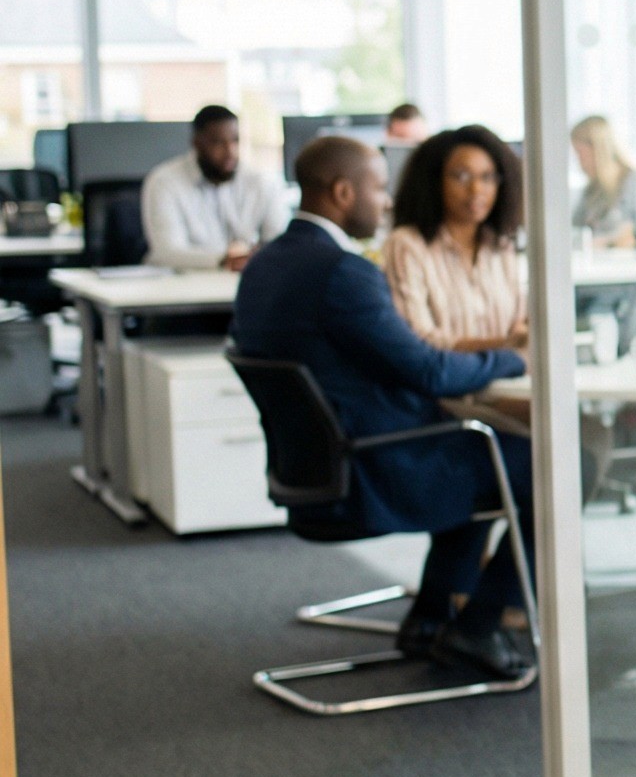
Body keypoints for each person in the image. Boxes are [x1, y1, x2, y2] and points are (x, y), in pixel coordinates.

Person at [233, 136, 534, 677]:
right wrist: (514, 358)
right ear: (343, 193)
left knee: (474, 448)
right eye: (377, 187)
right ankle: (477, 626)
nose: (387, 202)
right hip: (374, 466)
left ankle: (429, 619)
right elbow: (430, 370)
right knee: (554, 465)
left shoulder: (265, 264)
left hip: (325, 463)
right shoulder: (343, 273)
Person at [382, 126, 528, 356]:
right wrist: (507, 344)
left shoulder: (500, 246)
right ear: (433, 181)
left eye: (488, 177)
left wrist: (523, 335)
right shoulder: (406, 245)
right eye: (461, 176)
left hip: (508, 387)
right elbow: (420, 341)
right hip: (449, 388)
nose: (476, 189)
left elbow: (517, 322)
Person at [140, 104, 290, 272]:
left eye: (235, 140)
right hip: (185, 287)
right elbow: (167, 252)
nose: (230, 151)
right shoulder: (165, 182)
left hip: (245, 283)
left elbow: (280, 241)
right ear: (197, 143)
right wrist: (224, 259)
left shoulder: (260, 182)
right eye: (219, 143)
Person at [570, 114, 636, 252]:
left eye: (580, 154)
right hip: (600, 268)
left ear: (598, 150)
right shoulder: (592, 190)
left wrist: (609, 243)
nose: (579, 163)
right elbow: (576, 234)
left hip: (633, 269)